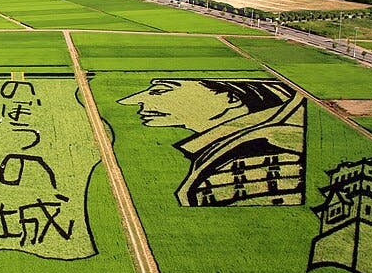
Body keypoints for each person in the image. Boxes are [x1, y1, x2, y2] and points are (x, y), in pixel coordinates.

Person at [118, 78, 305, 207]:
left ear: (231, 98)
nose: (133, 100)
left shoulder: (266, 154)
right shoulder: (224, 147)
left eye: (159, 91)